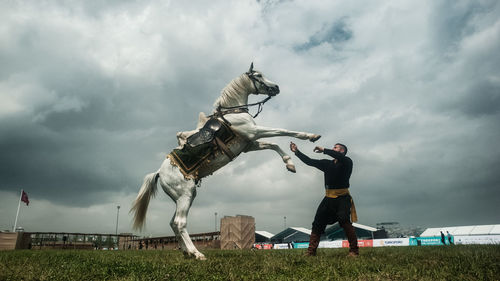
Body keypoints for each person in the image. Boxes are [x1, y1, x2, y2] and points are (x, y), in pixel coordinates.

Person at [290, 141, 359, 257]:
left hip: (343, 197)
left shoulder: (347, 162)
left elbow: (337, 156)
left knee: (344, 220)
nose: (333, 148)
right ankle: (311, 251)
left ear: (342, 151)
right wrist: (297, 152)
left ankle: (354, 251)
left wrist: (324, 150)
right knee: (317, 223)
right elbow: (310, 162)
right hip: (328, 198)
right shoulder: (328, 164)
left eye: (336, 147)